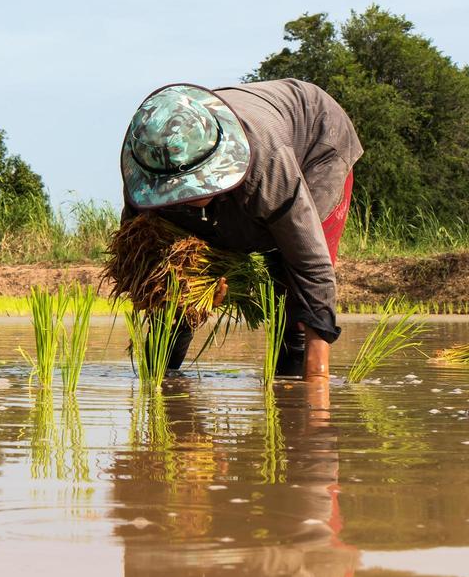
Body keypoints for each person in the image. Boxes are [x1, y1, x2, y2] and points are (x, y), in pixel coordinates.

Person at [120, 79, 362, 380]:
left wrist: (317, 382)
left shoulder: (267, 164)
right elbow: (138, 260)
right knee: (176, 289)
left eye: (194, 186)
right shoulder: (148, 155)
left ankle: (294, 383)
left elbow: (310, 264)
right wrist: (195, 292)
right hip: (260, 144)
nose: (187, 198)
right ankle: (161, 379)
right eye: (177, 190)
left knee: (289, 290)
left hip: (314, 139)